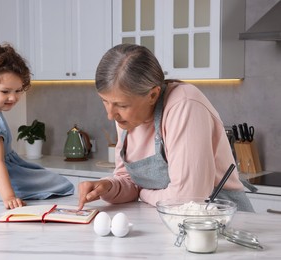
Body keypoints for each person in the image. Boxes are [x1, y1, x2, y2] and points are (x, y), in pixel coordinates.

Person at [78, 43, 254, 212]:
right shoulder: (126, 119)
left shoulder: (185, 105)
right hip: (169, 223)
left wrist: (144, 193)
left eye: (122, 105)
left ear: (153, 95)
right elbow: (129, 182)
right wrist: (107, 187)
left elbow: (188, 199)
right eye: (105, 101)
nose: (111, 115)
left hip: (222, 224)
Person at [0, 44, 74, 209]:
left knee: (44, 176)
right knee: (58, 182)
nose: (13, 97)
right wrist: (9, 196)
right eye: (5, 92)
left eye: (18, 91)